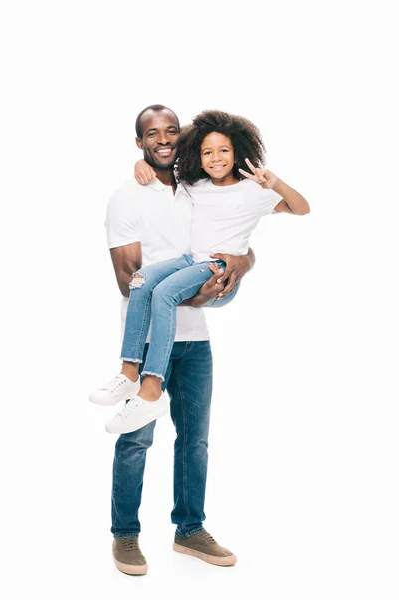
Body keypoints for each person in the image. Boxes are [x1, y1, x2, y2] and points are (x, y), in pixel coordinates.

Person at [101, 104, 260, 575]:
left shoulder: (194, 188)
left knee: (195, 442)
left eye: (172, 132)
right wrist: (188, 299)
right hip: (149, 339)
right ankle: (125, 536)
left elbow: (237, 243)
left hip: (195, 342)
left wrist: (243, 265)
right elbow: (127, 278)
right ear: (139, 143)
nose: (164, 140)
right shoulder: (127, 197)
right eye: (153, 134)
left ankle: (189, 530)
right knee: (135, 439)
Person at [90, 110, 310, 437]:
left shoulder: (254, 190)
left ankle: (151, 391)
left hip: (216, 266)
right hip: (189, 260)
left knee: (163, 294)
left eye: (224, 151)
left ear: (238, 152)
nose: (216, 158)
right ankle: (128, 372)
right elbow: (162, 165)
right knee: (142, 281)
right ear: (198, 156)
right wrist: (140, 164)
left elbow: (302, 208)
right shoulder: (196, 183)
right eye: (207, 152)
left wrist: (274, 181)